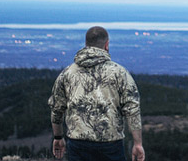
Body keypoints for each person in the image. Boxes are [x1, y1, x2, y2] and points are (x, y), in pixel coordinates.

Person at [49, 26, 144, 161]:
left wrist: (58, 137)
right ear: (107, 45)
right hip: (110, 144)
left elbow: (56, 108)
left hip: (78, 143)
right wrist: (138, 143)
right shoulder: (120, 73)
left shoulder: (67, 73)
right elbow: (132, 109)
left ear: (86, 44)